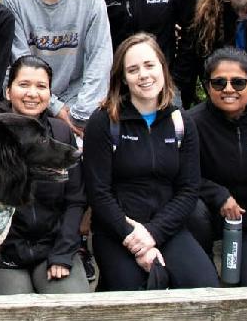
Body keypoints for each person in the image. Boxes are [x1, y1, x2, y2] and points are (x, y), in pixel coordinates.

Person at [84, 33, 219, 290]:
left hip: (166, 228)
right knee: (135, 291)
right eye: (133, 70)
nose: (143, 75)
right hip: (117, 230)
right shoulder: (103, 122)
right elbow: (98, 193)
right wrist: (132, 236)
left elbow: (189, 190)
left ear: (162, 68)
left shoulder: (181, 122)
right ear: (123, 78)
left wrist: (153, 234)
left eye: (149, 65)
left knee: (204, 287)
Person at [0, 55, 89, 295]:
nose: (32, 93)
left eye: (41, 86)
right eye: (24, 85)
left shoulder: (61, 133)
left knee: (74, 308)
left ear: (50, 94)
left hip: (53, 248)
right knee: (17, 313)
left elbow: (75, 199)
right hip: (3, 255)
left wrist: (63, 251)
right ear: (8, 92)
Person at [185, 48, 247, 286]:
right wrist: (218, 195)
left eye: (238, 82)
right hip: (208, 213)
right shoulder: (191, 122)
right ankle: (201, 267)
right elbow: (183, 174)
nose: (228, 89)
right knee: (192, 211)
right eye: (219, 82)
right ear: (208, 87)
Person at [3, 0, 112, 124]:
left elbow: (100, 60)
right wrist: (57, 109)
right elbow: (19, 57)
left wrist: (81, 115)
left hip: (78, 97)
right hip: (29, 95)